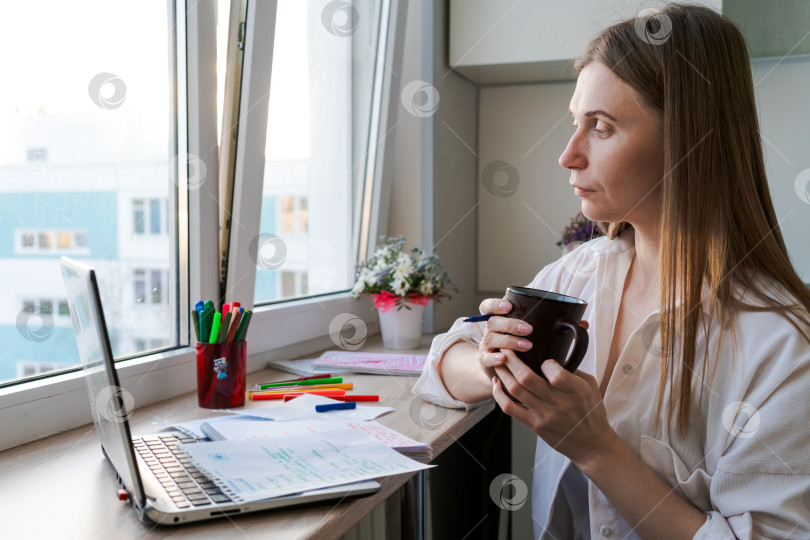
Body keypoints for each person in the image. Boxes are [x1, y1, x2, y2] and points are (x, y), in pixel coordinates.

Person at [413, 4, 810, 539]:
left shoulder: (780, 345)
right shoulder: (577, 276)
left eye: (600, 127)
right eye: (574, 123)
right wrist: (491, 362)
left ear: (689, 141)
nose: (567, 155)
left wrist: (594, 447)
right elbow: (440, 364)